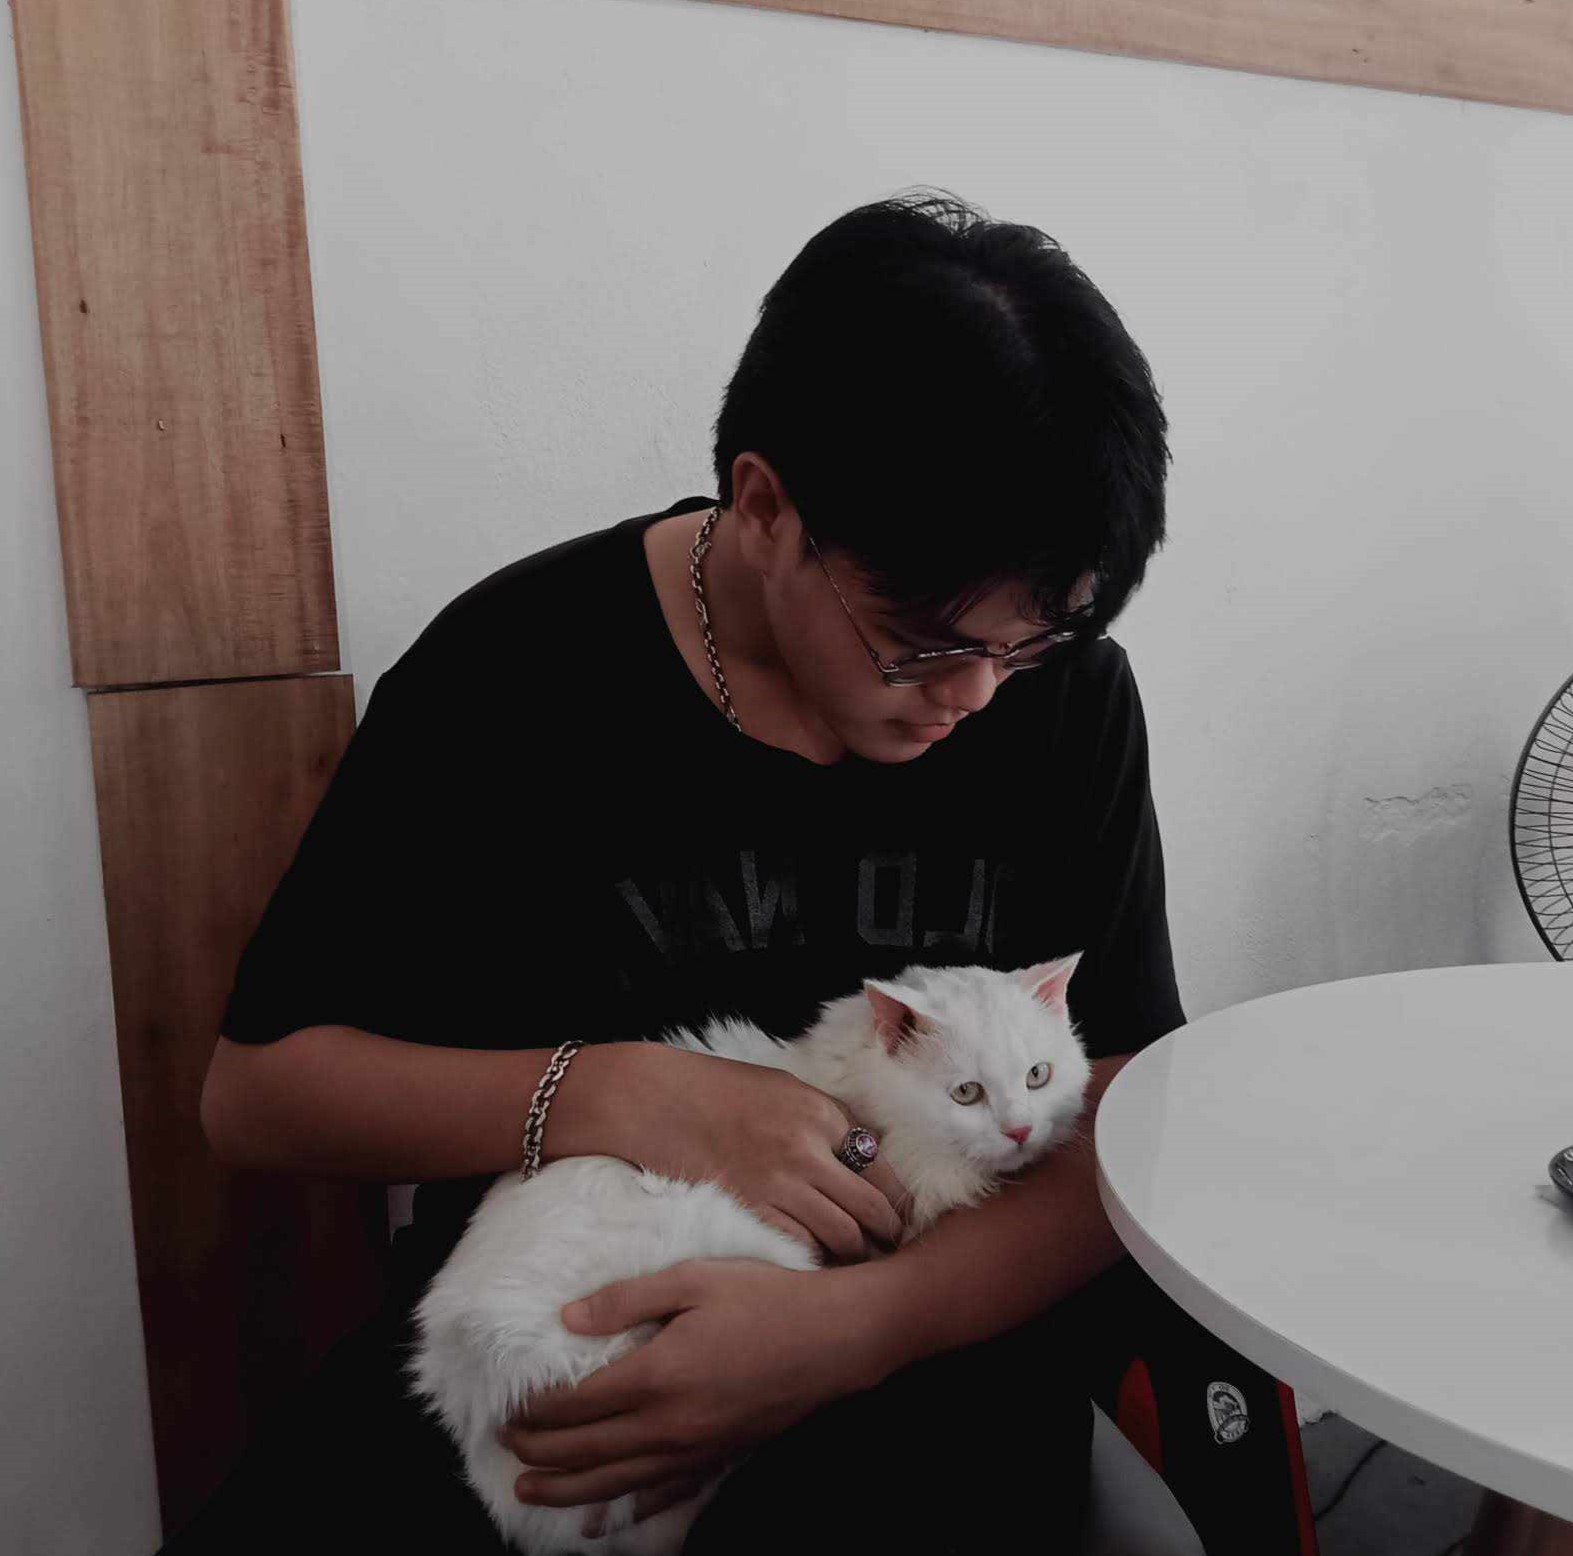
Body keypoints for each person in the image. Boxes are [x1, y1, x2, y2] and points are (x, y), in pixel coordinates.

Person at [167, 189, 1312, 1555]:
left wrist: (851, 1330)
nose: (972, 698)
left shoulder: (1065, 703)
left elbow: (1130, 1101)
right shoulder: (513, 674)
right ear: (765, 506)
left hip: (934, 1370)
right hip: (564, 1353)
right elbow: (260, 1097)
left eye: (1028, 645)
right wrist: (624, 1093)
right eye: (919, 643)